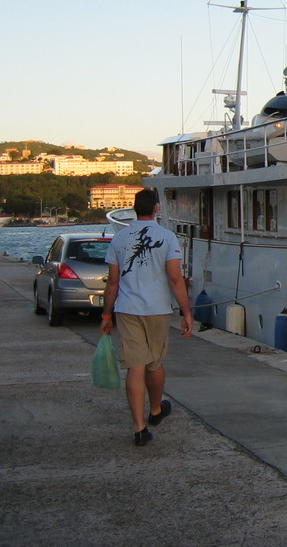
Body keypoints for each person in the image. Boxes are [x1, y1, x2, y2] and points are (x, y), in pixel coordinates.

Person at [101, 189, 193, 446]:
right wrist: (186, 312)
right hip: (158, 309)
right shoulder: (167, 237)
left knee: (135, 366)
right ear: (156, 209)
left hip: (127, 309)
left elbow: (113, 282)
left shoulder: (119, 238)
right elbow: (175, 279)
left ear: (133, 208)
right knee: (154, 363)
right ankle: (155, 410)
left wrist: (106, 315)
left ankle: (138, 428)